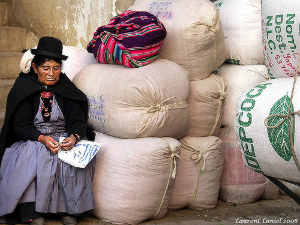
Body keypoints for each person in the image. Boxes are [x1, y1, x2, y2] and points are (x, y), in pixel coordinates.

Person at [0, 36, 95, 225]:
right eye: (46, 68)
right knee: (33, 153)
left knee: (74, 155)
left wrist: (74, 137)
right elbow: (19, 126)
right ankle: (30, 210)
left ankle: (70, 210)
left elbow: (78, 119)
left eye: (56, 68)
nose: (51, 73)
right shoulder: (24, 87)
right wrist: (41, 138)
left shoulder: (65, 87)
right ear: (35, 68)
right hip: (34, 138)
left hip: (62, 136)